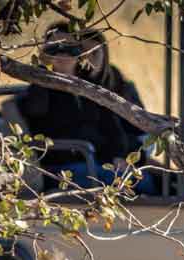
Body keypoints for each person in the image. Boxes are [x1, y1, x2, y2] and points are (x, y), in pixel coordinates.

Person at [19, 24, 156, 194]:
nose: (62, 54)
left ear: (79, 54)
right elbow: (40, 120)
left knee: (146, 180)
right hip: (63, 164)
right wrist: (48, 75)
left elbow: (112, 127)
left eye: (70, 48)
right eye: (54, 49)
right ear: (45, 53)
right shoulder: (41, 86)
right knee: (140, 182)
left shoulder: (88, 87)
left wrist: (117, 155)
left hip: (93, 160)